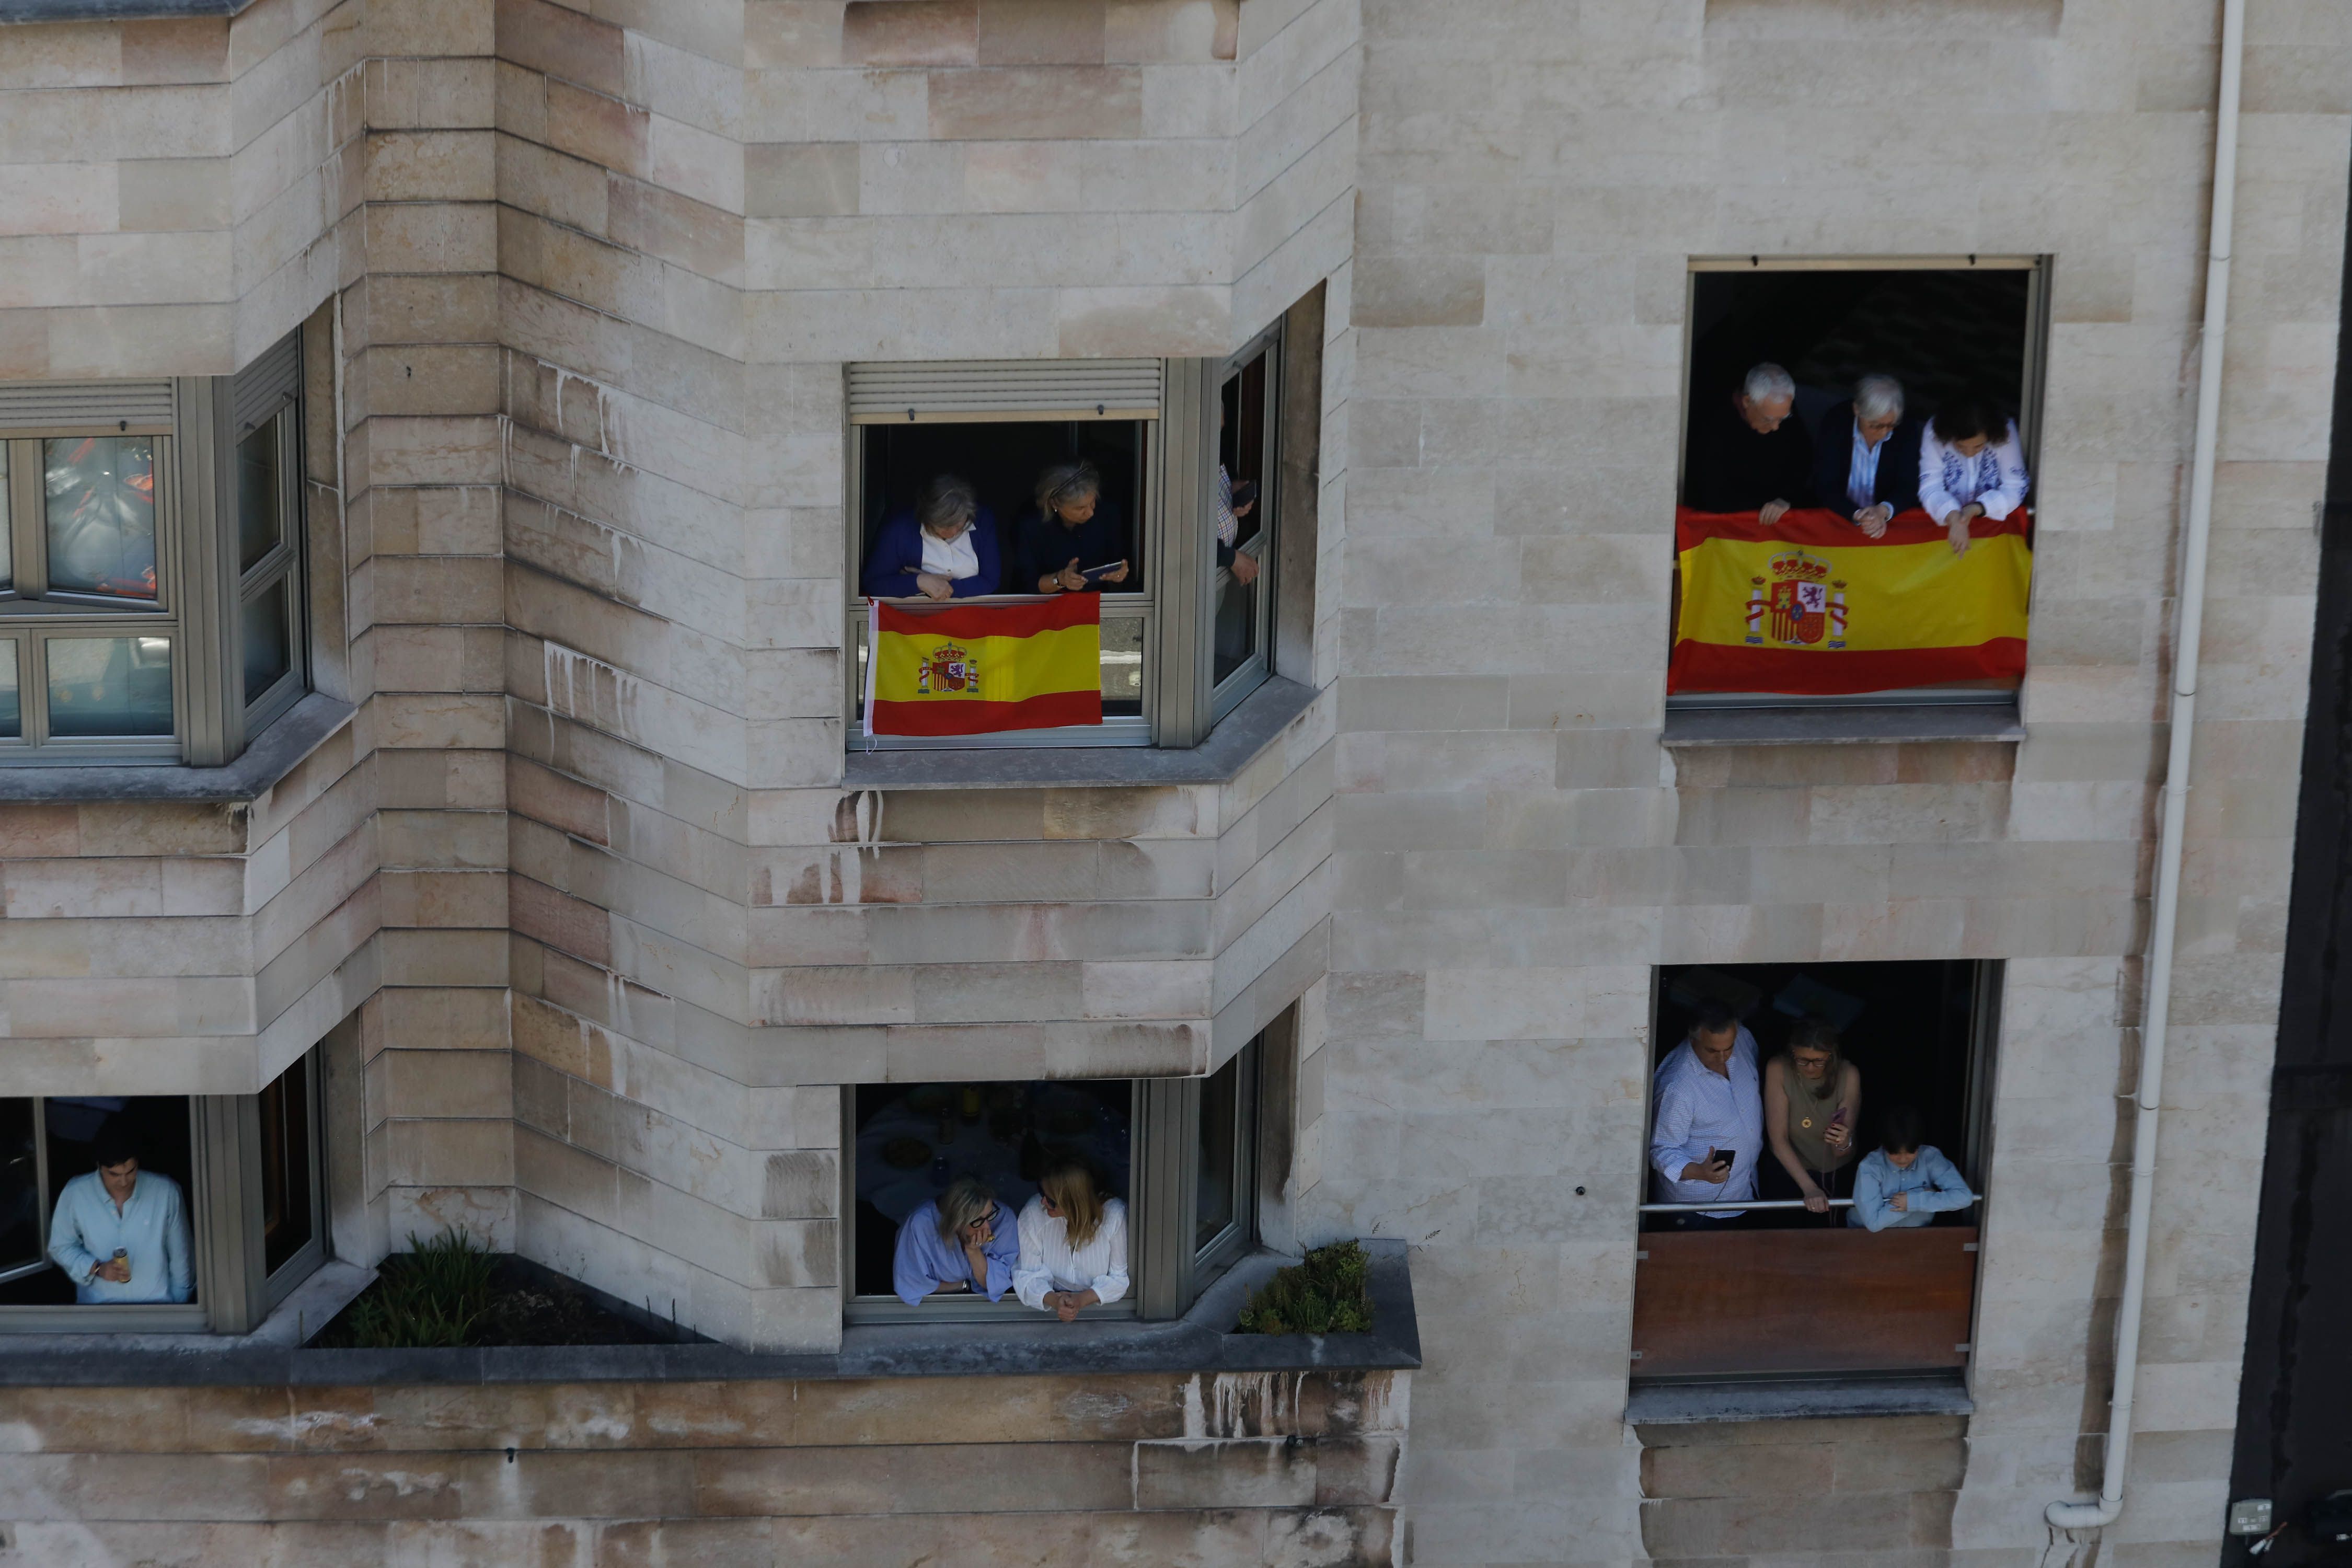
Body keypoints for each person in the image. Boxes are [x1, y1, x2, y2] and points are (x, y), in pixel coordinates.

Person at [47, 1124, 193, 1305]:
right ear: (99, 1166)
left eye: (131, 1171)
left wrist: (179, 1307)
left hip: (156, 1308)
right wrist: (97, 1268)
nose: (124, 1181)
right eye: (114, 1174)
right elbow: (61, 1247)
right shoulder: (76, 1193)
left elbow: (181, 1256)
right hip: (98, 1311)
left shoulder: (166, 1192)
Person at [1647, 1002, 1763, 1227]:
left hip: (1744, 1193)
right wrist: (1700, 1172)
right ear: (1693, 1041)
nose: (1723, 1058)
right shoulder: (1678, 1087)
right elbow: (1662, 1150)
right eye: (1712, 1051)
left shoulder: (1744, 1039)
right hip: (1697, 1211)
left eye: (1728, 1048)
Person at [1684, 362, 1814, 523]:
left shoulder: (1778, 407)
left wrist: (1786, 499)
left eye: (1783, 418)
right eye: (1769, 420)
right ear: (1747, 402)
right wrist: (1767, 506)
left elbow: (1803, 457)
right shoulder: (1713, 425)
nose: (1776, 427)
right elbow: (1713, 495)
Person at [1761, 1018, 1862, 1217]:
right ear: (1792, 1053)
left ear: (1831, 1055)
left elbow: (1841, 1151)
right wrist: (1809, 1188)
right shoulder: (1778, 1068)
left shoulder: (1848, 1074)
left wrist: (1842, 1141)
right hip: (1790, 1169)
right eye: (1802, 1060)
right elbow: (1778, 1140)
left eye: (1818, 1061)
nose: (1809, 1068)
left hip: (1836, 1172)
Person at [1013, 1159, 1129, 1321]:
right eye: (1042, 1192)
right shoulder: (1033, 1213)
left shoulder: (1114, 1215)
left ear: (1074, 1203)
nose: (1043, 1202)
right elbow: (1026, 1274)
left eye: (1051, 1201)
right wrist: (1055, 1301)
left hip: (1104, 1316)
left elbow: (1119, 1278)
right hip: (1043, 1314)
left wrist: (1081, 1301)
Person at [1809, 374, 1923, 538]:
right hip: (1839, 520)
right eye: (1876, 426)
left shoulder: (1906, 428)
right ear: (1857, 410)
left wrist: (1883, 510)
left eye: (1891, 425)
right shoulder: (1836, 423)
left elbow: (1909, 485)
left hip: (1887, 526)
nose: (1884, 433)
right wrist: (1857, 515)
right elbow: (1825, 484)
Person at [1918, 394, 2031, 557]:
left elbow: (2016, 486)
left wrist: (1977, 509)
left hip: (1995, 540)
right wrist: (1953, 517)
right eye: (1960, 446)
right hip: (1941, 539)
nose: (1970, 454)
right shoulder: (1934, 431)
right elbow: (1930, 486)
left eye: (1978, 446)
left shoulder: (2005, 430)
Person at [859, 474, 1002, 599]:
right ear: (926, 519)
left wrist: (932, 585)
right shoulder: (900, 528)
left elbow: (990, 581)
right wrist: (920, 582)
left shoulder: (983, 520)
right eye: (945, 527)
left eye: (959, 525)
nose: (953, 532)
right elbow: (874, 583)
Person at [891, 1174, 1020, 1305]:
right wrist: (963, 1286)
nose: (987, 1227)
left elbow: (997, 1284)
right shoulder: (919, 1226)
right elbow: (910, 1284)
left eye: (989, 1215)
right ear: (956, 1223)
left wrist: (973, 1251)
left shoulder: (1003, 1219)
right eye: (978, 1221)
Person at [1848, 1105, 1976, 1231]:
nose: (1903, 1159)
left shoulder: (1930, 1157)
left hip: (1917, 1236)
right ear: (1883, 1146)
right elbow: (1873, 1222)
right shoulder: (1870, 1166)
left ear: (1919, 1146)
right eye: (1895, 1153)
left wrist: (1914, 1201)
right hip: (1865, 1239)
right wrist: (1917, 1200)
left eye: (1911, 1152)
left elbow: (1964, 1197)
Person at [1014, 461, 1132, 595]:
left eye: (1092, 502)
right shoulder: (1030, 526)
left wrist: (1120, 574)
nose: (1090, 513)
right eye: (1080, 508)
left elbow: (1119, 562)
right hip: (1048, 606)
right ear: (1054, 503)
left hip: (1097, 603)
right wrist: (1060, 579)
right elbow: (1027, 584)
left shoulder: (1107, 514)